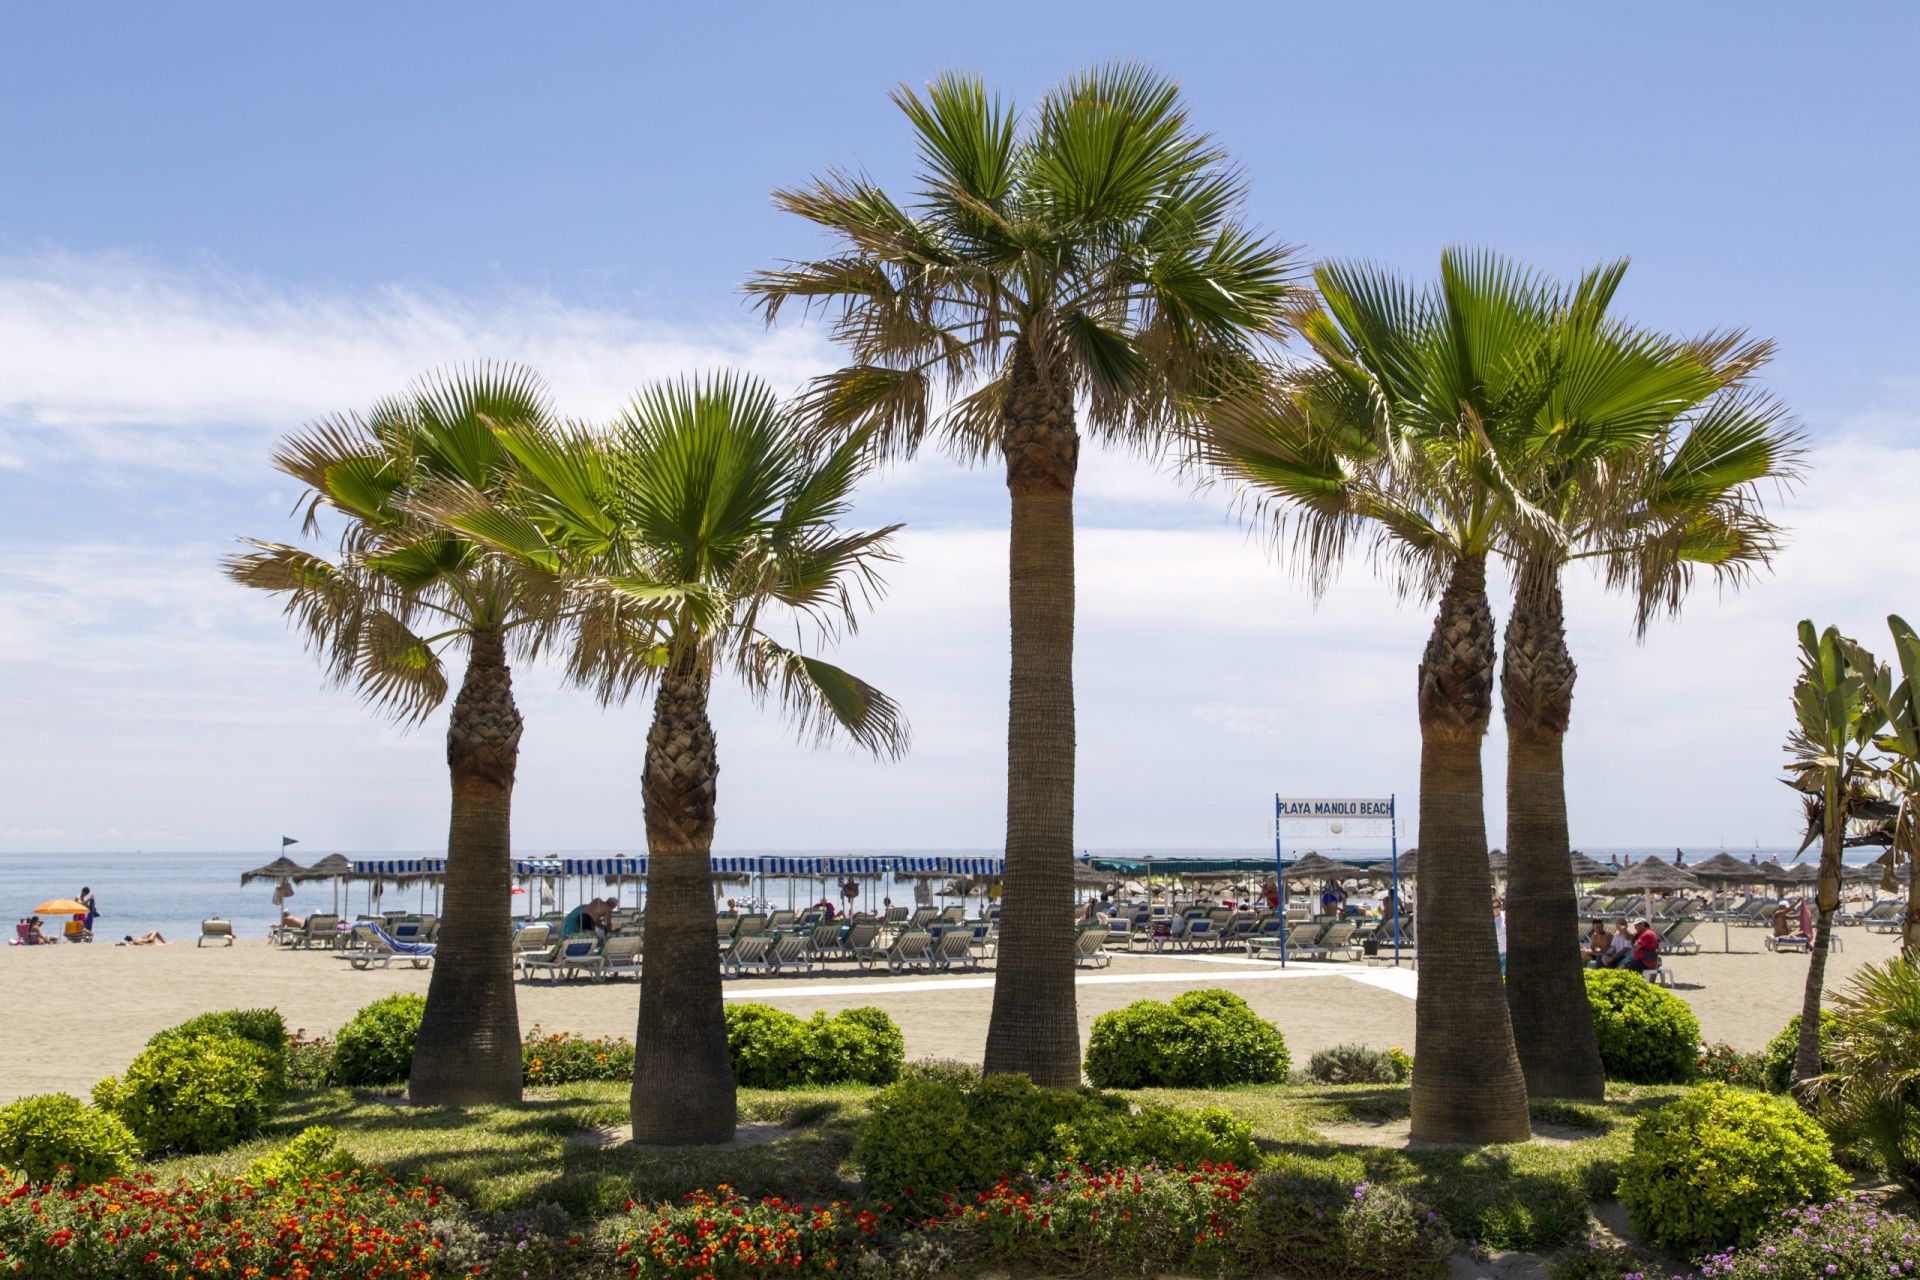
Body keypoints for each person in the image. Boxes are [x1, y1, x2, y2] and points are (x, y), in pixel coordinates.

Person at [1493, 896, 1507, 976]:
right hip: (1499, 953)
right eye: (1493, 907)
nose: (1496, 909)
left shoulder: (1504, 915)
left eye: (1497, 906)